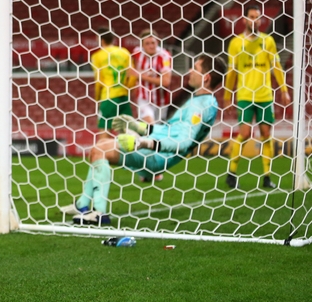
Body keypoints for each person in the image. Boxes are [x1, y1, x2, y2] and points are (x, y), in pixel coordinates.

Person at [61, 54, 225, 225]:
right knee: (101, 145)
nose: (190, 70)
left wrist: (143, 142)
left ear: (206, 78)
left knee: (100, 151)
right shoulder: (203, 101)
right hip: (155, 151)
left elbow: (181, 142)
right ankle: (82, 204)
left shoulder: (199, 106)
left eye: (195, 68)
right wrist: (139, 127)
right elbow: (170, 130)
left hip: (156, 155)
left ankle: (99, 213)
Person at [224, 5, 290, 190]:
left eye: (258, 17)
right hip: (245, 95)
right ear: (244, 20)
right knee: (244, 134)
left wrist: (284, 89)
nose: (255, 20)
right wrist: (227, 95)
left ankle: (267, 176)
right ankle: (232, 172)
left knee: (267, 134)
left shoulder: (267, 41)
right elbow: (231, 71)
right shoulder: (236, 43)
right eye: (252, 17)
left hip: (265, 95)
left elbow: (276, 66)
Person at [129, 30, 173, 182]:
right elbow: (131, 70)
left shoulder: (165, 56)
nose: (151, 46)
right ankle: (151, 171)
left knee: (155, 138)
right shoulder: (136, 54)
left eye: (153, 42)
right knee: (150, 129)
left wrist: (139, 76)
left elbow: (166, 81)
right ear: (141, 45)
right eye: (147, 43)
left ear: (158, 43)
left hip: (161, 101)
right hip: (144, 98)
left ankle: (150, 169)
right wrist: (134, 83)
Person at [91, 27, 135, 140]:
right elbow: (133, 76)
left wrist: (98, 98)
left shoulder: (97, 56)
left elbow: (99, 81)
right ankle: (126, 157)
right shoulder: (125, 52)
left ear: (102, 40)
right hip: (124, 96)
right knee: (126, 132)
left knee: (105, 130)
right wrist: (127, 89)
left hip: (108, 96)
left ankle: (103, 155)